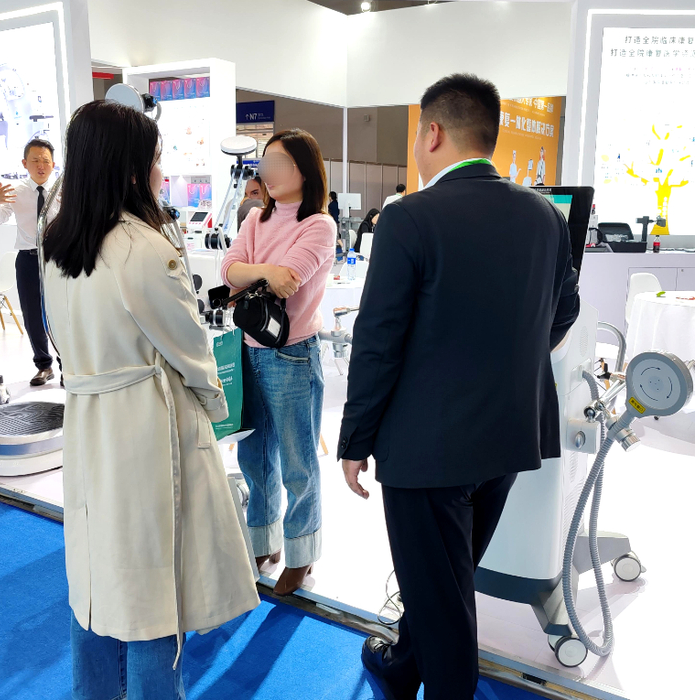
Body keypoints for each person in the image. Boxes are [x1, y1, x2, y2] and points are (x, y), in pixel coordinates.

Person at [338, 73, 580, 700]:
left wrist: (355, 438)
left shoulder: (409, 216)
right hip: (508, 435)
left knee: (443, 598)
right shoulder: (544, 215)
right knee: (445, 578)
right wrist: (508, 362)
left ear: (433, 132)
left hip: (427, 447)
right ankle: (402, 665)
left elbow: (378, 341)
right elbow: (564, 310)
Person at [41, 101, 259, 699]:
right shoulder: (141, 247)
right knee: (151, 588)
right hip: (145, 427)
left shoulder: (60, 242)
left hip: (90, 420)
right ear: (131, 166)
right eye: (156, 158)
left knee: (96, 576)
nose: (162, 171)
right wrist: (215, 408)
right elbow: (190, 346)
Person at [221, 129, 336, 597]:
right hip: (248, 350)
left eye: (278, 163)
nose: (267, 173)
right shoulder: (255, 218)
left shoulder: (319, 225)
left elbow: (290, 279)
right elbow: (227, 270)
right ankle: (262, 541)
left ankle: (302, 552)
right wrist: (265, 272)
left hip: (292, 354)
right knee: (254, 456)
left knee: (297, 462)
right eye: (264, 163)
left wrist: (260, 273)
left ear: (304, 170)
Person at [0, 139, 62, 386]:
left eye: (46, 161)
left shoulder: (63, 189)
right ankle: (44, 365)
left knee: (61, 313)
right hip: (28, 259)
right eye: (35, 160)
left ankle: (68, 365)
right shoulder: (14, 190)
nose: (41, 166)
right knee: (32, 314)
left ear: (53, 164)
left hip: (58, 258)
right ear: (25, 163)